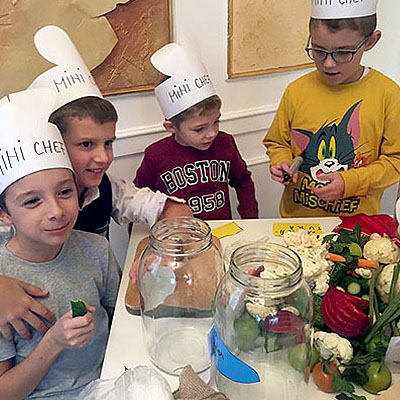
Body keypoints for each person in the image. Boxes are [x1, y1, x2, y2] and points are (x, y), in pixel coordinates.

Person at [0, 25, 191, 342]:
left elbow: (170, 209)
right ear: (56, 143)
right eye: (86, 144)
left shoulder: (107, 188)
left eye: (109, 143)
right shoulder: (13, 205)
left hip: (94, 320)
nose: (102, 157)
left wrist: (160, 247)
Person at [0, 88, 121, 399]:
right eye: (32, 201)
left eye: (65, 192)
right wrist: (54, 341)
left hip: (111, 381)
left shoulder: (96, 250)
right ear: (4, 214)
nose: (56, 211)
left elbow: (122, 320)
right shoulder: (4, 284)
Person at [263, 0, 400, 218]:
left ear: (370, 41)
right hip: (296, 223)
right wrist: (282, 161)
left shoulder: (388, 95)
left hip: (356, 226)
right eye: (319, 50)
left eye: (343, 52)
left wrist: (350, 182)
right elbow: (277, 142)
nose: (328, 63)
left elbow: (396, 162)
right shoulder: (296, 91)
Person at [134, 41, 258, 220]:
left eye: (216, 121)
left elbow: (243, 181)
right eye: (199, 129)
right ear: (171, 127)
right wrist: (139, 234)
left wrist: (250, 219)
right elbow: (139, 199)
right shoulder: (155, 155)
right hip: (177, 233)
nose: (212, 133)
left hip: (221, 230)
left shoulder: (225, 143)